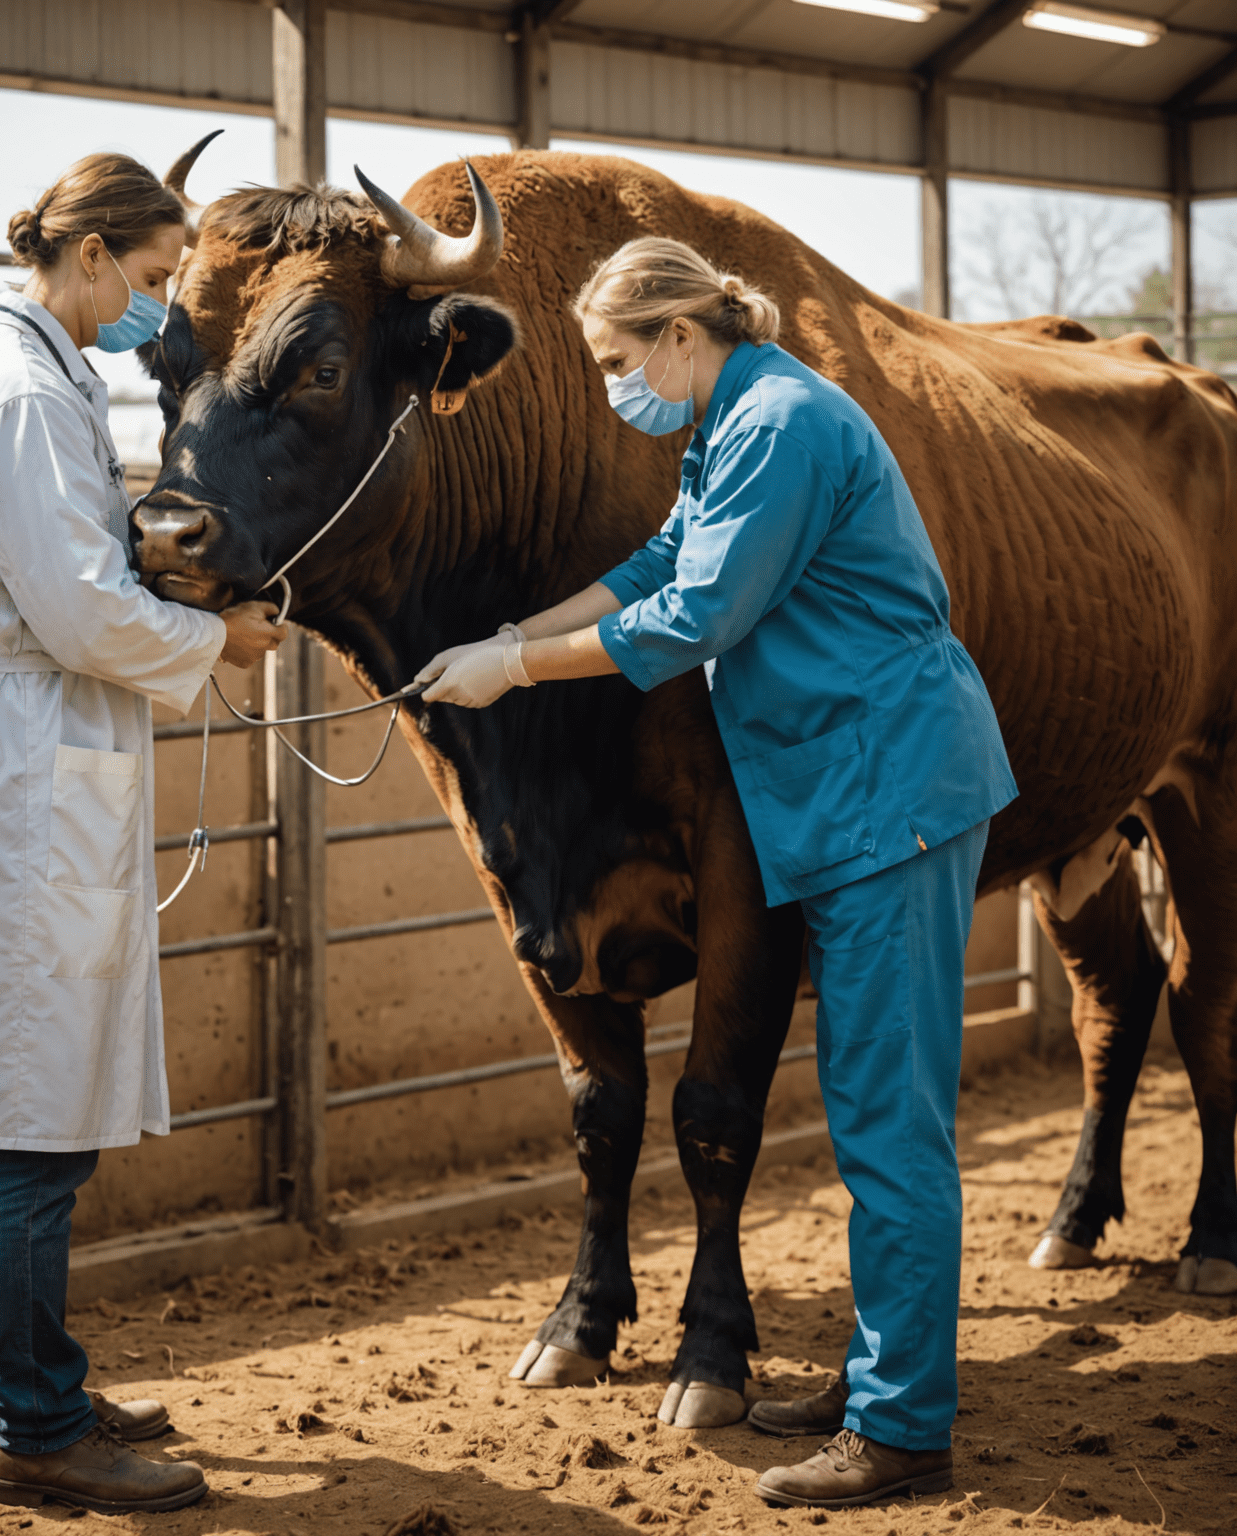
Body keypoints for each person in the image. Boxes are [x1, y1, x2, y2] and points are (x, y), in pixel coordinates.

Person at [418, 237, 1018, 1509]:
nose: (614, 384)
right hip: (852, 789)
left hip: (889, 790)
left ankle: (903, 1427)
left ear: (681, 335)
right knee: (868, 1109)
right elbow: (654, 565)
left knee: (887, 1125)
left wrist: (518, 674)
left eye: (618, 359)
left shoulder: (783, 423)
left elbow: (692, 620)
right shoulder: (735, 418)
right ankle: (878, 1381)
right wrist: (514, 629)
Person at [0, 151, 287, 1515]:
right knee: (33, 1119)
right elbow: (80, 615)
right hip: (27, 754)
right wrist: (213, 635)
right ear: (94, 253)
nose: (156, 310)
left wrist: (129, 528)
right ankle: (39, 1434)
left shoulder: (19, 371)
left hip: (9, 746)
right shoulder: (23, 391)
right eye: (155, 278)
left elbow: (55, 556)